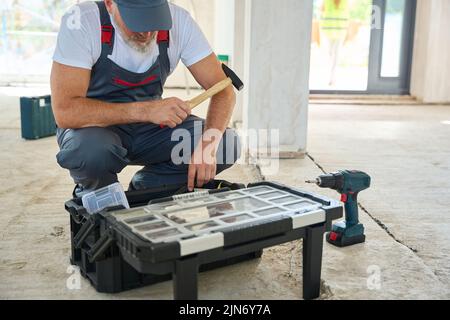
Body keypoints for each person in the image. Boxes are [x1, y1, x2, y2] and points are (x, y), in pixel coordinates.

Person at [51, 0, 241, 197]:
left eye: (154, 18)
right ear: (109, 3)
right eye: (136, 20)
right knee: (90, 153)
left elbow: (223, 90)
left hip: (150, 130)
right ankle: (100, 196)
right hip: (95, 128)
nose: (147, 32)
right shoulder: (82, 21)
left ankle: (148, 190)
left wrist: (208, 146)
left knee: (227, 143)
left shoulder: (180, 21)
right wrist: (146, 110)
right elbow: (66, 111)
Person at [320, 0, 350, 86]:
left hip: (340, 31)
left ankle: (332, 78)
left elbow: (347, 14)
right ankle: (329, 77)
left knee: (336, 54)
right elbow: (321, 10)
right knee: (329, 54)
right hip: (328, 30)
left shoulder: (345, 1)